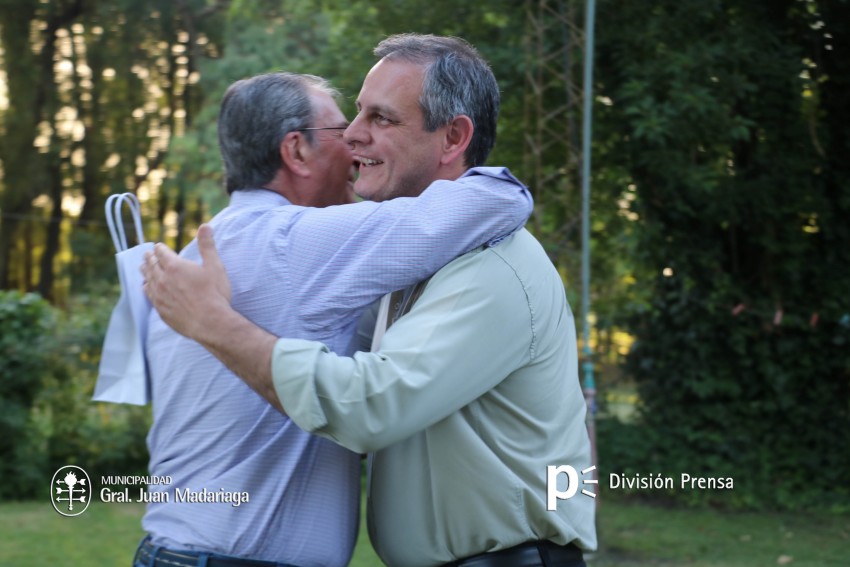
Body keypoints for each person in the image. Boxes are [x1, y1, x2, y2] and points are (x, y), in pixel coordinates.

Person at [144, 34, 596, 567]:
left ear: (453, 137)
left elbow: (369, 408)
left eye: (380, 118)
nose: (353, 136)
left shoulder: (490, 266)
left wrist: (215, 325)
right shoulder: (400, 263)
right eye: (353, 116)